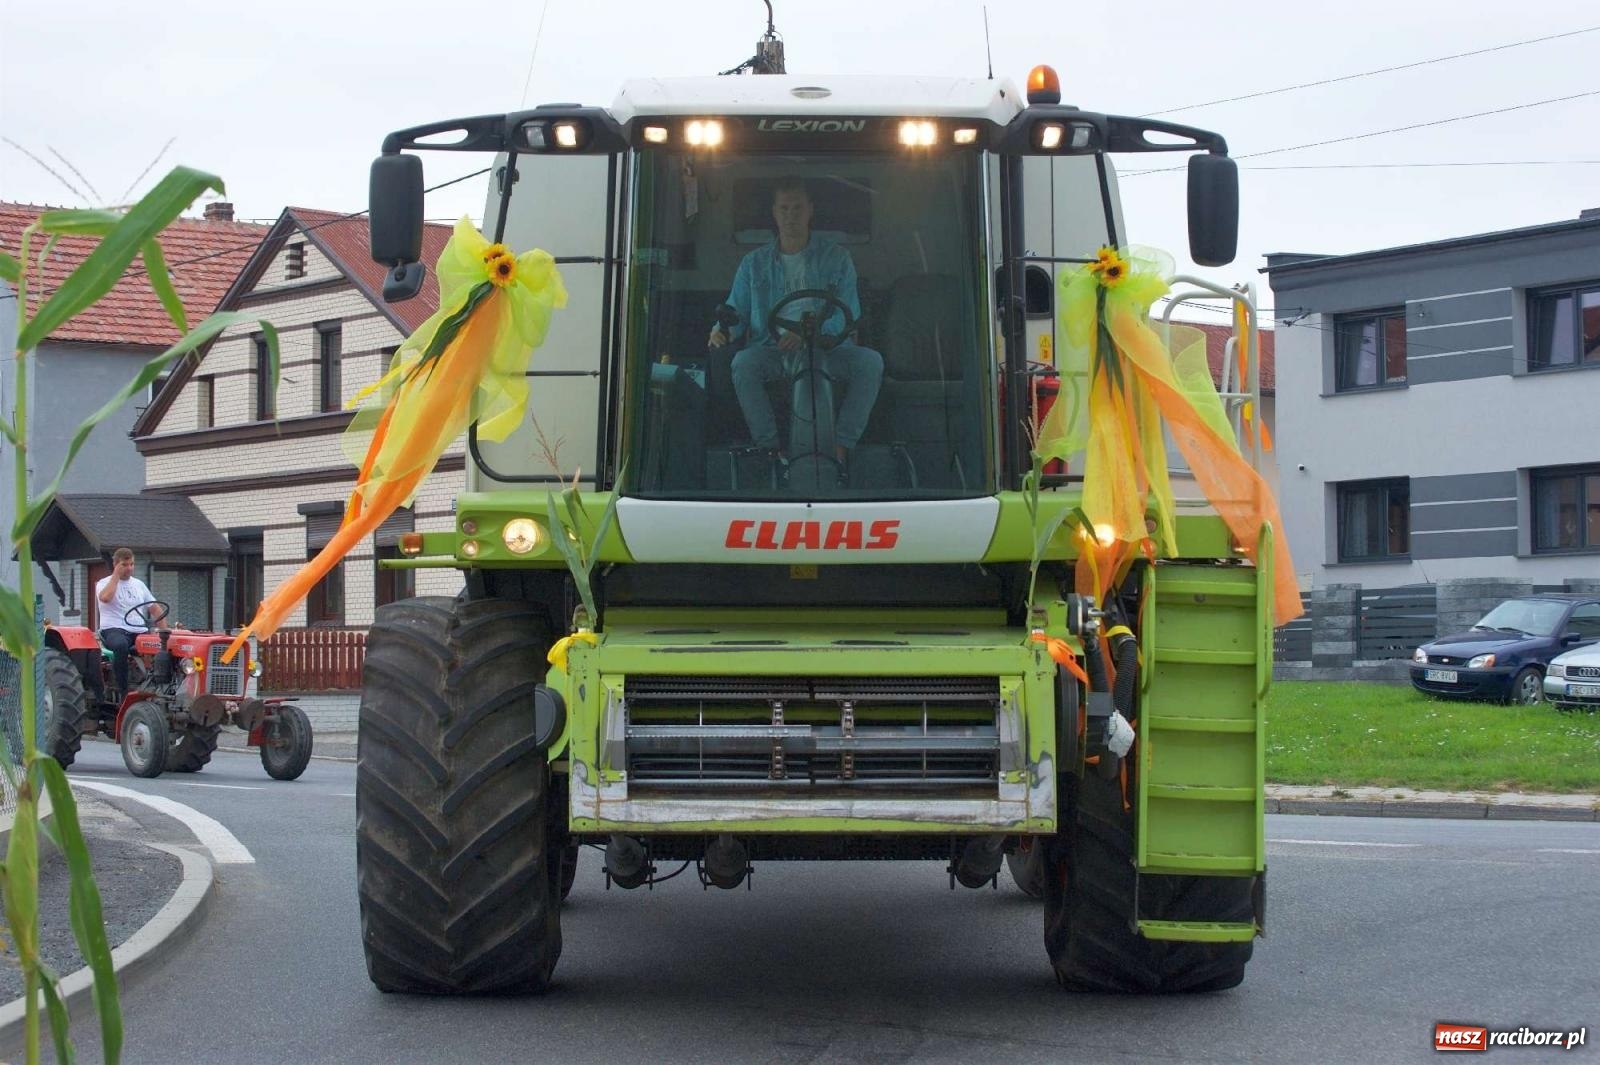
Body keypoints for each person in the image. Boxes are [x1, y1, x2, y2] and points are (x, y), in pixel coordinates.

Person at [709, 178, 882, 464]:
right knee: (742, 363)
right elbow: (735, 310)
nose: (791, 215)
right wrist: (720, 329)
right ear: (774, 213)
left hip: (828, 350)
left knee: (870, 362)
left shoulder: (837, 258)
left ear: (810, 210)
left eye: (798, 208)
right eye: (784, 208)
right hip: (772, 351)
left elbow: (847, 315)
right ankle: (770, 451)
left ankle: (841, 447)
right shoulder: (753, 264)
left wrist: (809, 335)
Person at [96, 548, 167, 697]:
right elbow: (106, 598)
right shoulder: (103, 583)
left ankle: (158, 684)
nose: (129, 568)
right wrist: (116, 576)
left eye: (132, 564)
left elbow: (155, 608)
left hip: (138, 630)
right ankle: (123, 690)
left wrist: (165, 634)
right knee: (121, 646)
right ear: (115, 565)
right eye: (124, 565)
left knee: (160, 646)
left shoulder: (139, 585)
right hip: (114, 629)